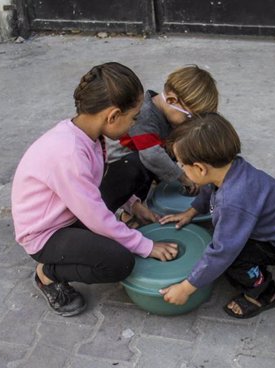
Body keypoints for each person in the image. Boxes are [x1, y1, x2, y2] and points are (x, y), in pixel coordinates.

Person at [11, 62, 179, 317]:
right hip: (46, 234)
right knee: (119, 262)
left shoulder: (88, 133)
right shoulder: (68, 153)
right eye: (133, 118)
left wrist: (132, 203)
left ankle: (121, 228)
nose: (135, 125)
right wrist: (145, 246)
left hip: (71, 210)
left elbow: (98, 181)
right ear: (112, 116)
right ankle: (47, 274)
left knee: (133, 165)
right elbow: (96, 217)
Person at [157, 113, 275, 318]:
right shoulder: (229, 168)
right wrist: (191, 212)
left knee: (233, 260)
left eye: (182, 165)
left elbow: (222, 251)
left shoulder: (232, 201)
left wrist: (186, 287)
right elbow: (209, 188)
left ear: (199, 168)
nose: (181, 168)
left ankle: (263, 294)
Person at [99, 65, 219, 224]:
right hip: (122, 165)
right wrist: (183, 177)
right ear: (171, 100)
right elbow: (152, 155)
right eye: (190, 117)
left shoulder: (169, 111)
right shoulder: (145, 115)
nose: (191, 123)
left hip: (148, 156)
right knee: (143, 165)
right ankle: (125, 212)